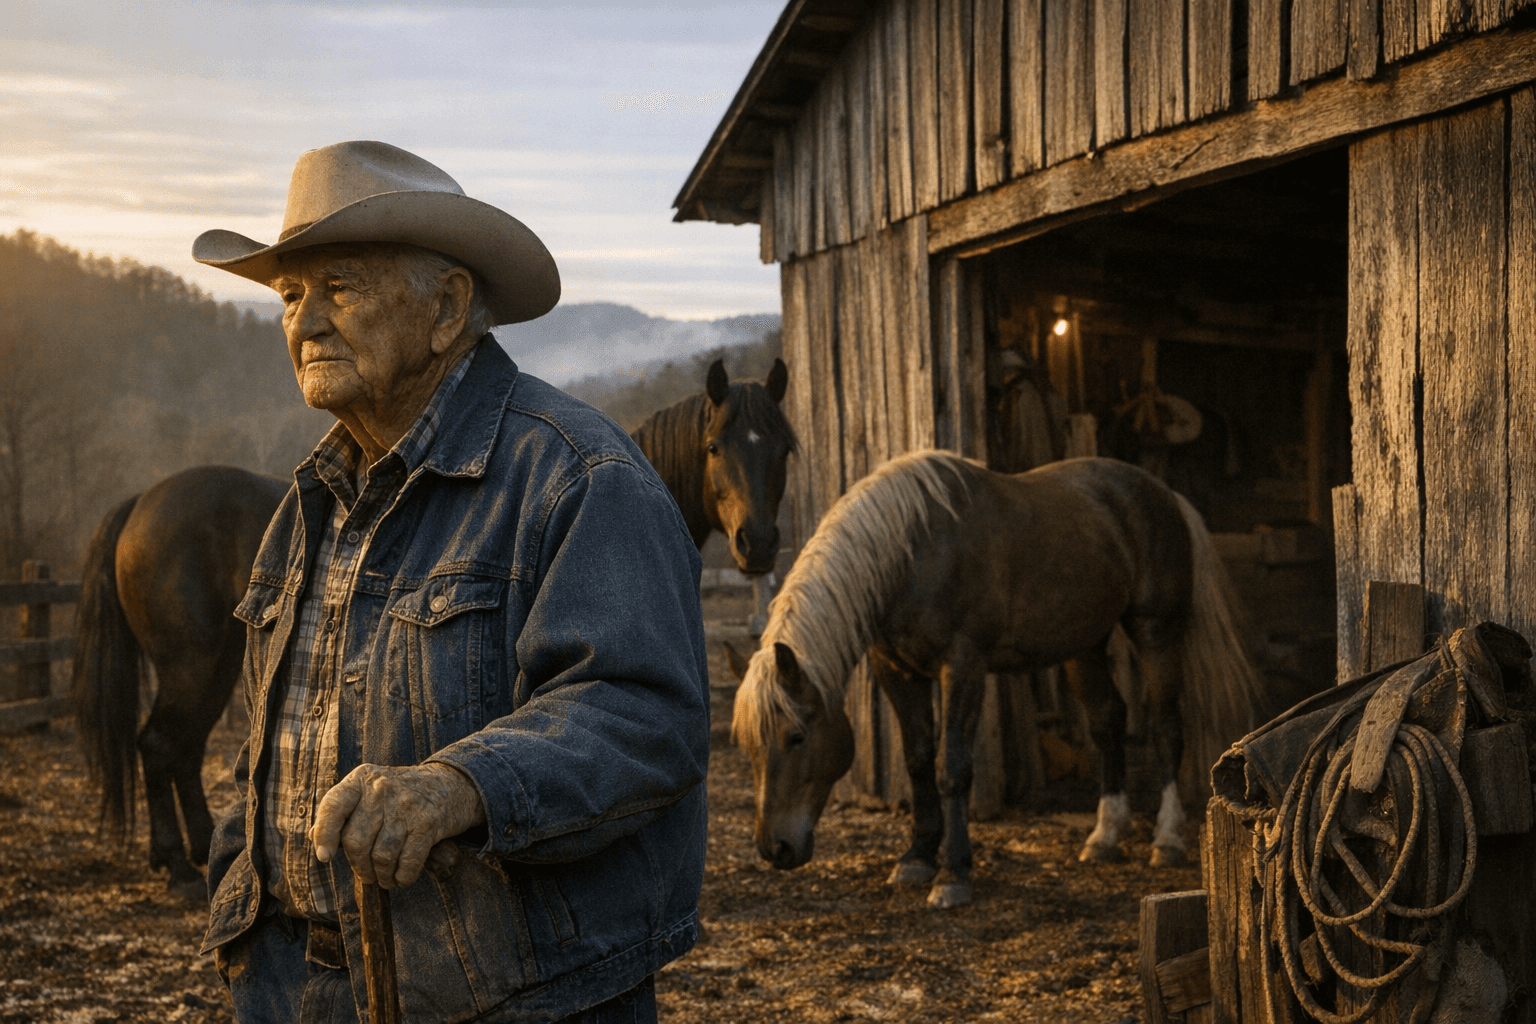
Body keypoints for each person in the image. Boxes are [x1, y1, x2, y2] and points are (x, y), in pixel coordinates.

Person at [192, 140, 709, 1024]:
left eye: (341, 286)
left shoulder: (577, 475)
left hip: (505, 996)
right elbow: (263, 743)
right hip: (289, 986)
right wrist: (241, 895)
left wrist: (459, 786)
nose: (305, 321)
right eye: (289, 295)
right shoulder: (310, 502)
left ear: (448, 307)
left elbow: (644, 716)